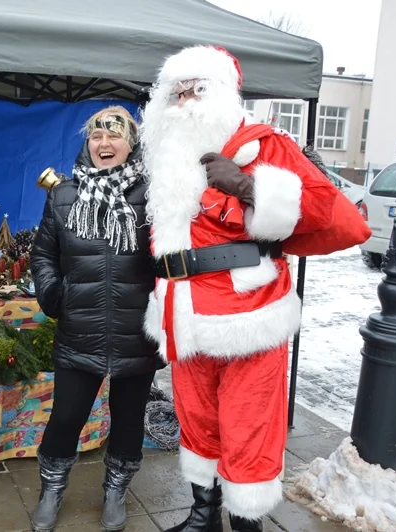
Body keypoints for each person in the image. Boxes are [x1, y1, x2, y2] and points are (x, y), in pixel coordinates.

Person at [139, 46, 345, 532]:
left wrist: (251, 188)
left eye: (197, 89)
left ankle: (246, 520)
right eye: (177, 91)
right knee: (196, 415)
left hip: (247, 312)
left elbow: (329, 212)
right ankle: (202, 513)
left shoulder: (262, 143)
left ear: (224, 95)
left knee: (249, 420)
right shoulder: (165, 159)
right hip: (183, 309)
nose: (185, 100)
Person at [30, 106, 165, 532]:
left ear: (132, 142)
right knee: (66, 417)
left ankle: (116, 490)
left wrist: (163, 303)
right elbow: (43, 255)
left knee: (127, 422)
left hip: (137, 332)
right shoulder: (63, 195)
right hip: (79, 331)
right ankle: (51, 489)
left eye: (115, 136)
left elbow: (170, 254)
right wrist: (56, 295)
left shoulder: (154, 196)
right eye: (96, 137)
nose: (104, 144)